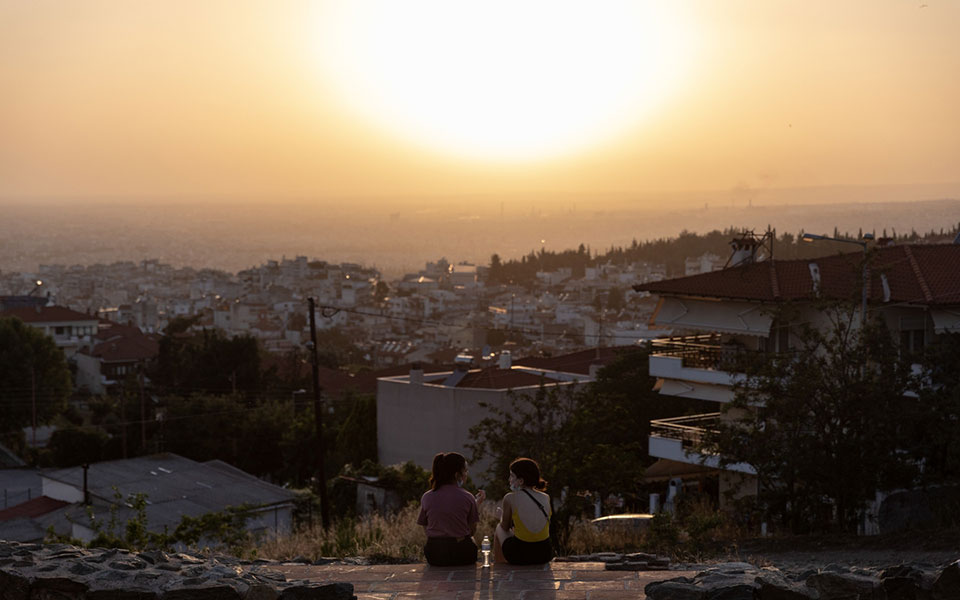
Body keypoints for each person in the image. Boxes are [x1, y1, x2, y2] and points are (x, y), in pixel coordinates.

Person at [417, 451, 486, 566]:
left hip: (434, 555)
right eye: (465, 470)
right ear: (457, 475)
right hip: (461, 555)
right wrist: (475, 504)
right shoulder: (467, 497)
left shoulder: (427, 496)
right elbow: (471, 531)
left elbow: (426, 527)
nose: (466, 474)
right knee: (471, 541)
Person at [494, 457, 554, 565]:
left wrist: (501, 516)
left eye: (512, 476)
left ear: (521, 481)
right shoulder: (546, 497)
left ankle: (499, 566)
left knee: (499, 528)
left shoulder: (510, 498)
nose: (509, 479)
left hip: (520, 555)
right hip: (545, 554)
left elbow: (505, 527)